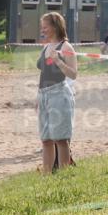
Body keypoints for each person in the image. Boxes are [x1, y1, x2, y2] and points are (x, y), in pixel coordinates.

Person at [36, 12, 77, 174]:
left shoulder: (66, 47)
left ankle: (64, 175)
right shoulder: (46, 47)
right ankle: (46, 176)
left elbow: (73, 74)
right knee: (46, 139)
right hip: (44, 94)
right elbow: (43, 73)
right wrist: (37, 97)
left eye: (45, 26)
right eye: (42, 27)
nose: (43, 29)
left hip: (59, 94)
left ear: (55, 26)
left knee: (60, 139)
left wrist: (58, 60)